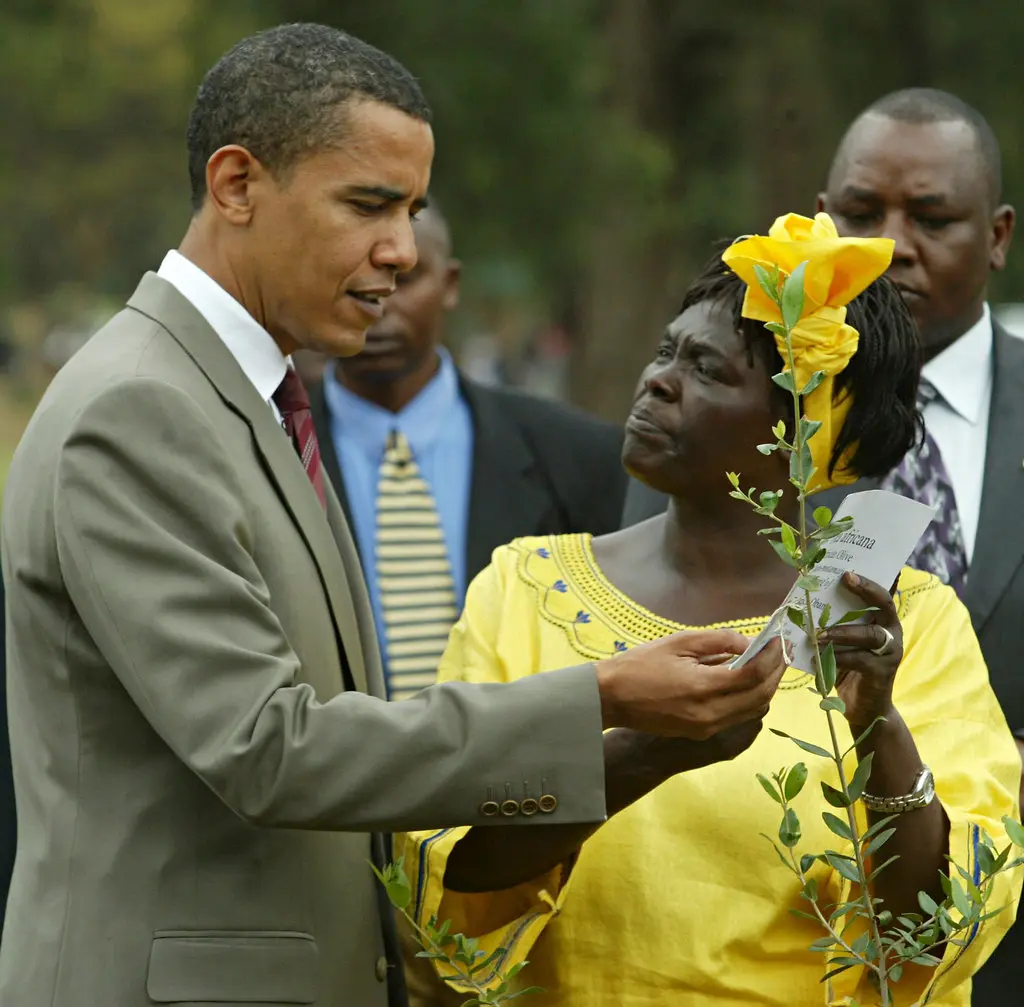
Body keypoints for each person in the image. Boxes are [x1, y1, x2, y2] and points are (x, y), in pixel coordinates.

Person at [0, 24, 788, 1007]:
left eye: (412, 210)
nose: (402, 250)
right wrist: (603, 693)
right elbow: (269, 747)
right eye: (369, 204)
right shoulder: (139, 409)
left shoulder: (250, 394)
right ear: (237, 185)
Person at [402, 227, 1020, 1006]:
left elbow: (937, 930)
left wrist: (877, 731)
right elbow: (442, 881)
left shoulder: (908, 627)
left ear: (801, 432)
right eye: (667, 351)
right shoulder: (522, 589)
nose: (658, 380)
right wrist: (642, 755)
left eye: (707, 369)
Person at [308, 204, 627, 699]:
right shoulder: (263, 450)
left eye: (402, 277)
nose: (376, 301)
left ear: (450, 284)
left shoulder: (579, 456)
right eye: (347, 278)